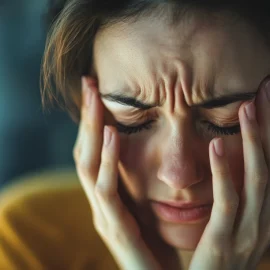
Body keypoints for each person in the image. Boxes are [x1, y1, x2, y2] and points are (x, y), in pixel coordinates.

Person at [1, 0, 270, 269]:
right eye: (133, 121)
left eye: (226, 120)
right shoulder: (27, 239)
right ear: (87, 112)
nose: (179, 176)